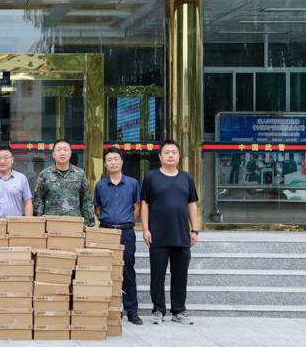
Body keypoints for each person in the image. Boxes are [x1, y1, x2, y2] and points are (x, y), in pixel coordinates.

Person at [141, 139, 199, 325]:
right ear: (160, 156)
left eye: (174, 152)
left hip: (181, 234)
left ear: (179, 155)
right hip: (158, 234)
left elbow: (192, 204)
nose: (170, 155)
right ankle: (158, 310)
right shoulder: (151, 177)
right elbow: (144, 204)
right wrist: (145, 229)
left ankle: (178, 311)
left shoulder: (186, 178)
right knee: (157, 275)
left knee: (180, 275)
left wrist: (195, 229)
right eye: (166, 152)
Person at [93, 148, 142, 325]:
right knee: (106, 269)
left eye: (116, 159)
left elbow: (137, 206)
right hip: (106, 231)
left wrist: (126, 221)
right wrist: (107, 220)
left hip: (126, 232)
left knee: (128, 269)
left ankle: (132, 310)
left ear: (121, 161)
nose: (113, 162)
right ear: (105, 164)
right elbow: (97, 209)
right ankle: (110, 309)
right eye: (109, 160)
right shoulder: (100, 185)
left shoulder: (132, 183)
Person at [33, 138, 95, 226]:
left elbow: (86, 200)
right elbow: (38, 200)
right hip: (51, 224)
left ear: (70, 153)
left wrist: (88, 224)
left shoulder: (79, 174)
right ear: (53, 154)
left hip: (74, 224)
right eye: (58, 150)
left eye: (65, 150)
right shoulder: (45, 174)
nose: (62, 153)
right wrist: (39, 223)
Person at [0, 145, 33, 218]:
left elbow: (28, 202)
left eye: (6, 158)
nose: (2, 161)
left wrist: (28, 222)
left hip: (15, 223)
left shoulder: (22, 179)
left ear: (12, 159)